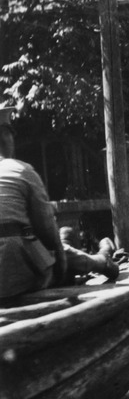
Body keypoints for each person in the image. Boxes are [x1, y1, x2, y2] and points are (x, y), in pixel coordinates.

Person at [1, 106, 67, 297]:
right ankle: (101, 262)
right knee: (53, 255)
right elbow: (46, 226)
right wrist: (60, 257)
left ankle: (98, 259)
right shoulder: (22, 170)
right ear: (8, 138)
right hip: (14, 268)